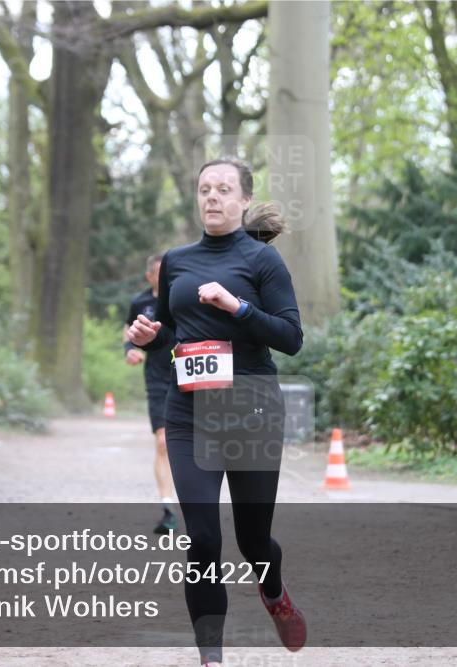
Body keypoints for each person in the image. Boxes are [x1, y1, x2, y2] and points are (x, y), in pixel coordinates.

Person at [126, 157, 306, 667]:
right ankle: (212, 659)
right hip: (190, 414)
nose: (212, 197)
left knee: (253, 541)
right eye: (205, 188)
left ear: (244, 199)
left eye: (224, 189)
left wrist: (237, 307)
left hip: (252, 412)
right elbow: (171, 332)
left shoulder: (263, 262)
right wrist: (149, 336)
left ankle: (274, 592)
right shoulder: (177, 262)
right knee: (203, 540)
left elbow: (291, 337)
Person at [123, 252, 178, 534]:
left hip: (188, 377)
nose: (166, 277)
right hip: (157, 379)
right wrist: (129, 349)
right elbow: (128, 330)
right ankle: (168, 508)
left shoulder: (181, 297)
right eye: (160, 273)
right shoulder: (140, 302)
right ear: (149, 276)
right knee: (163, 442)